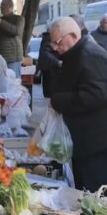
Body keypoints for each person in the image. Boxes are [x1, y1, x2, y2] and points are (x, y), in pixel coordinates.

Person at [49, 17, 107, 192]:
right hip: (84, 140)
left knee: (95, 193)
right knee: (84, 190)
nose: (55, 48)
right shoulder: (77, 53)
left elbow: (95, 94)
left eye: (57, 42)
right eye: (53, 44)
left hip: (95, 143)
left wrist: (58, 101)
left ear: (73, 36)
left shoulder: (92, 55)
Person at [0, 0, 25, 78]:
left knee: (13, 82)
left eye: (3, 5)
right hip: (0, 57)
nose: (1, 8)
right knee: (3, 82)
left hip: (12, 59)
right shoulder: (0, 20)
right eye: (1, 6)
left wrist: (1, 22)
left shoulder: (19, 19)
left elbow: (16, 31)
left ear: (10, 7)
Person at [37, 31, 61, 98]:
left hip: (46, 67)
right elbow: (46, 54)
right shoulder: (50, 39)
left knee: (48, 91)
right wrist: (58, 62)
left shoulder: (47, 38)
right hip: (49, 67)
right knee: (50, 92)